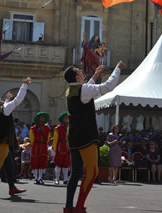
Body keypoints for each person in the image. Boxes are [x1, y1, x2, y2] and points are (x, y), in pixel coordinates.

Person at [63, 61, 124, 213]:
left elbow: (84, 93)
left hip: (74, 136)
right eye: (79, 71)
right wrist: (117, 69)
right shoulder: (83, 89)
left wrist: (95, 77)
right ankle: (79, 207)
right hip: (86, 136)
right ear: (77, 77)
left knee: (76, 173)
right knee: (92, 172)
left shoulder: (71, 90)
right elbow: (108, 87)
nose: (82, 72)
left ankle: (68, 207)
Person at [30, 111, 51, 184]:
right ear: (38, 119)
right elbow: (31, 138)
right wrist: (35, 145)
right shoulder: (33, 128)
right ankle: (36, 177)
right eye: (41, 117)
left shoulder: (48, 128)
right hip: (36, 146)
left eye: (43, 117)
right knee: (35, 161)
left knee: (42, 161)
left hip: (43, 146)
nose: (42, 119)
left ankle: (40, 177)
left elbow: (48, 138)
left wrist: (45, 144)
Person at [53, 112, 71, 185]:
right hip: (60, 146)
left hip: (68, 147)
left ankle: (65, 179)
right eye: (65, 118)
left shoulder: (70, 127)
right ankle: (57, 179)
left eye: (67, 118)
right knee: (58, 164)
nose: (66, 119)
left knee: (66, 164)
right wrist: (55, 149)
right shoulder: (58, 128)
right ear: (62, 119)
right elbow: (55, 139)